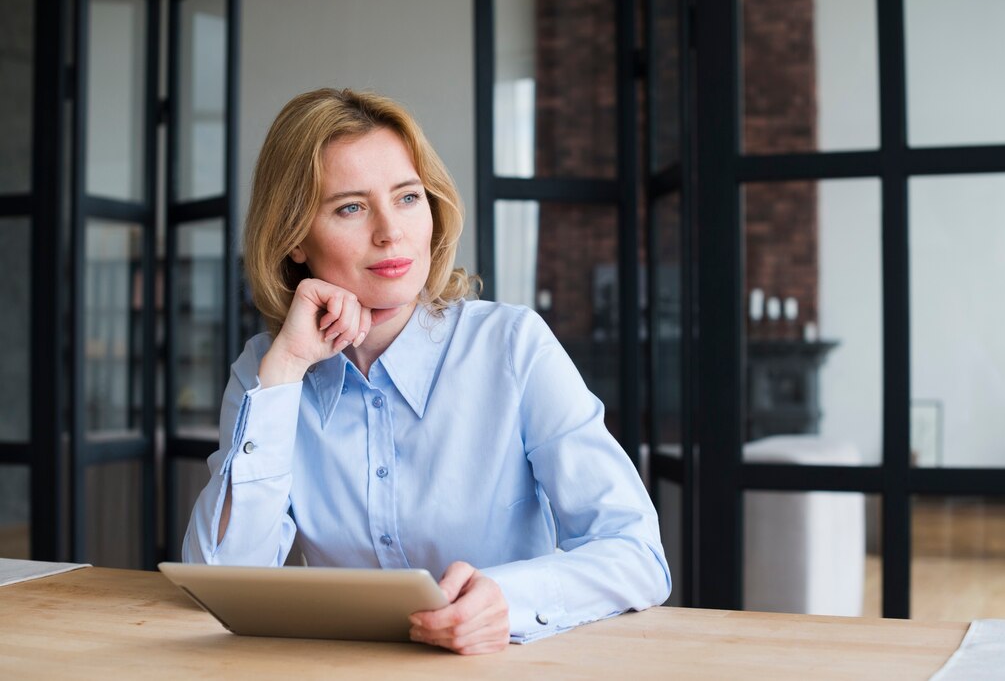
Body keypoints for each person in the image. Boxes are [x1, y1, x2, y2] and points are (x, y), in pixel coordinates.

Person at [183, 88, 671, 654]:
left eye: (408, 197)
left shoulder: (513, 347)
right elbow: (218, 580)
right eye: (351, 207)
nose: (391, 232)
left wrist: (508, 599)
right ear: (294, 238)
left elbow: (637, 553)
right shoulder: (264, 372)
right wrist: (287, 369)